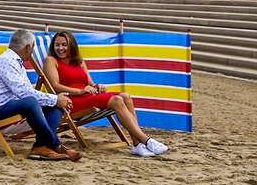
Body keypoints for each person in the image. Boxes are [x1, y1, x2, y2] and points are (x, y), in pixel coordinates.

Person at [42, 29, 168, 157]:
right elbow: (55, 87)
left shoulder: (79, 61)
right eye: (57, 45)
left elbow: (90, 83)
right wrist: (80, 91)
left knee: (126, 96)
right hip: (70, 101)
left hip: (87, 96)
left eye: (64, 44)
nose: (60, 48)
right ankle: (146, 140)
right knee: (117, 100)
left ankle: (137, 145)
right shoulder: (51, 60)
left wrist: (98, 86)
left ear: (71, 45)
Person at [0, 29, 77, 161]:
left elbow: (25, 92)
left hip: (12, 107)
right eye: (32, 48)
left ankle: (41, 146)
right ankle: (55, 144)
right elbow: (24, 93)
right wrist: (55, 98)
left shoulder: (15, 62)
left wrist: (55, 101)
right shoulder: (6, 61)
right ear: (27, 47)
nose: (32, 51)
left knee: (54, 106)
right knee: (32, 101)